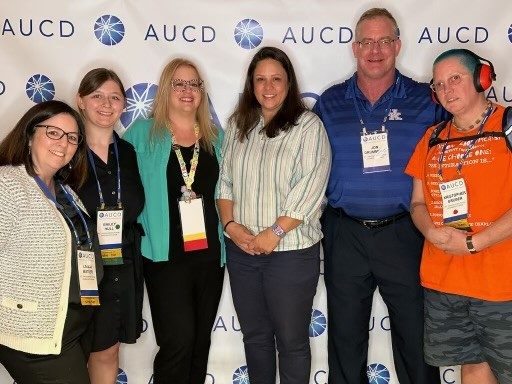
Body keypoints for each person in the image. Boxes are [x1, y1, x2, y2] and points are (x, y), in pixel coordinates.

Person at [313, 8, 446, 384]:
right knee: (344, 340)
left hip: (405, 234)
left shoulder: (427, 99)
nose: (376, 50)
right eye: (367, 42)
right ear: (355, 48)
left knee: (416, 339)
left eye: (384, 41)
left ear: (398, 45)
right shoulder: (330, 102)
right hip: (344, 233)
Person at [217, 46, 331, 384]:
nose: (268, 88)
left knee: (292, 342)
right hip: (243, 252)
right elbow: (225, 183)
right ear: (251, 85)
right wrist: (231, 226)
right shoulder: (239, 124)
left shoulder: (308, 126)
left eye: (276, 79)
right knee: (255, 338)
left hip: (291, 254)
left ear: (289, 83)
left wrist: (273, 234)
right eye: (260, 80)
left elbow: (310, 188)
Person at [406, 48, 512, 384]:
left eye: (456, 79)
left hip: (502, 285)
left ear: (482, 78)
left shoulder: (507, 125)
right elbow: (418, 204)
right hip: (446, 282)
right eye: (439, 84)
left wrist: (474, 242)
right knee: (471, 367)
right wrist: (430, 232)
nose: (447, 90)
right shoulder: (433, 137)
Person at [123, 58, 225, 384]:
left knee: (199, 343)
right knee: (177, 341)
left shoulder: (216, 139)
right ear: (166, 89)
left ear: (201, 91)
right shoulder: (142, 134)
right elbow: (117, 180)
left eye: (193, 84)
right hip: (165, 256)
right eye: (178, 83)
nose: (186, 90)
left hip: (210, 256)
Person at [0, 100, 103, 384]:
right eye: (53, 132)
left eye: (72, 137)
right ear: (30, 134)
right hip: (32, 331)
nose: (64, 143)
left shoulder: (66, 191)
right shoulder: (8, 184)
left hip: (72, 325)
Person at [76, 68, 145, 384]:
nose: (106, 104)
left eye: (114, 97)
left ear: (124, 104)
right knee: (76, 350)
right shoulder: (65, 151)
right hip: (82, 266)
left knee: (108, 351)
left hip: (124, 260)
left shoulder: (128, 152)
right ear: (81, 101)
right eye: (97, 96)